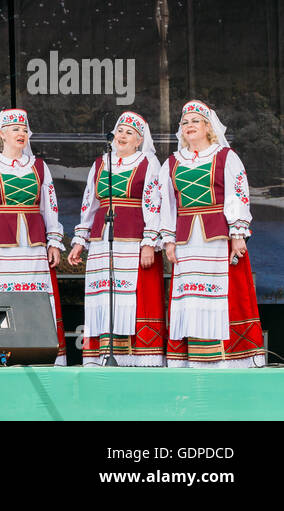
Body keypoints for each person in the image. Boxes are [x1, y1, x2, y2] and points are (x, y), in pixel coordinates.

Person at [160, 100, 264, 368]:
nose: (189, 126)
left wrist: (238, 232)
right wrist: (168, 239)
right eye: (184, 123)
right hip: (186, 241)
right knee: (190, 295)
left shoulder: (225, 156)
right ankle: (193, 357)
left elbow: (237, 195)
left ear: (208, 127)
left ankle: (224, 359)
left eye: (195, 121)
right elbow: (168, 203)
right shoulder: (172, 162)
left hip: (217, 238)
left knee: (219, 293)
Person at [66, 112, 167, 367]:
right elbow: (90, 203)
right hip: (103, 241)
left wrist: (149, 242)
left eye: (129, 133)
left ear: (139, 140)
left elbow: (154, 204)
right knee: (104, 295)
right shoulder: (101, 162)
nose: (122, 135)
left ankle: (137, 357)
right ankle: (104, 354)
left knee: (131, 295)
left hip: (133, 240)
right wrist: (80, 240)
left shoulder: (148, 163)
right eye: (119, 130)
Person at [0, 108, 66, 366]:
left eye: (24, 129)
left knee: (36, 296)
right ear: (2, 134)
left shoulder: (38, 166)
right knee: (3, 297)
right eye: (15, 129)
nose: (21, 133)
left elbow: (50, 205)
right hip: (2, 245)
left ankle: (38, 351)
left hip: (33, 246)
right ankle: (2, 355)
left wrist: (54, 239)